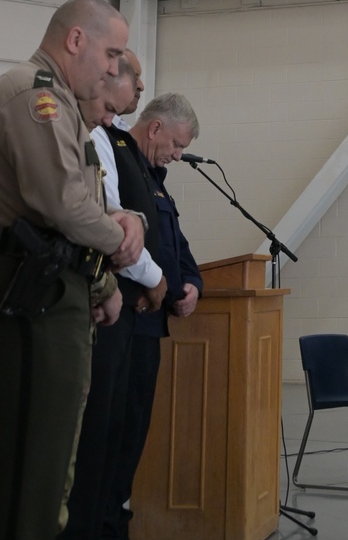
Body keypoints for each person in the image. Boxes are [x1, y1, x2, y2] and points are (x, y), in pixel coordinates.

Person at [0, 0, 144, 540]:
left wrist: (122, 223)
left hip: (61, 293)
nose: (115, 67)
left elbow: (89, 203)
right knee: (34, 464)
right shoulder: (35, 98)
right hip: (32, 297)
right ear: (76, 41)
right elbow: (63, 208)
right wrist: (120, 243)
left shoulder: (63, 107)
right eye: (111, 53)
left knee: (53, 457)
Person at [65, 55, 167, 540]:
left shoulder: (116, 137)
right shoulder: (89, 132)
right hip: (98, 297)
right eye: (134, 78)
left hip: (124, 300)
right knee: (92, 432)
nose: (142, 87)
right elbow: (100, 217)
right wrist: (152, 277)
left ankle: (105, 524)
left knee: (118, 430)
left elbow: (134, 218)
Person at [103, 93, 204, 539]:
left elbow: (175, 243)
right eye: (177, 145)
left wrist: (193, 285)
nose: (179, 156)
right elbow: (122, 238)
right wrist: (156, 282)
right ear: (157, 128)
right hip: (123, 315)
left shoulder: (155, 178)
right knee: (110, 431)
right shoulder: (120, 162)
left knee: (132, 434)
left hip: (149, 326)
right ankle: (102, 524)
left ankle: (115, 520)